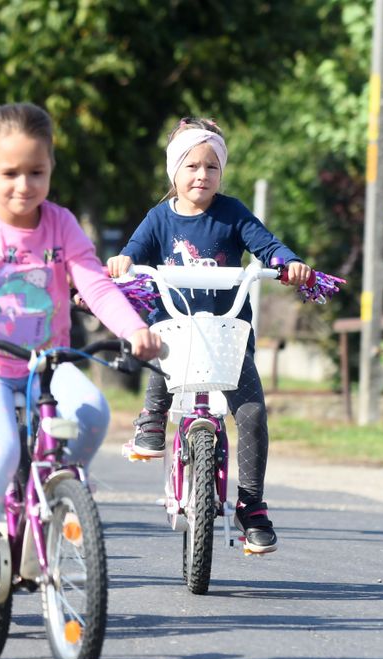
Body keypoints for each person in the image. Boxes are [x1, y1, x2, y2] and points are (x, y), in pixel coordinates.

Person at [0, 102, 162, 627]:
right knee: (0, 446)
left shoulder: (61, 224)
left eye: (36, 172)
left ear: (50, 168)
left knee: (93, 410)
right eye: (9, 173)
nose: (23, 186)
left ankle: (56, 493)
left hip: (48, 362)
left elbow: (94, 283)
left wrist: (133, 328)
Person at [106, 117, 311, 556]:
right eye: (192, 166)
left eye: (212, 167)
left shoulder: (232, 212)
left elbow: (267, 245)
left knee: (253, 415)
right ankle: (152, 418)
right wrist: (122, 262)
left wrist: (288, 262)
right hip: (176, 332)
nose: (202, 175)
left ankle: (252, 506)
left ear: (222, 173)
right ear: (174, 172)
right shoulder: (159, 218)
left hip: (228, 338)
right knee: (165, 349)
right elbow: (133, 253)